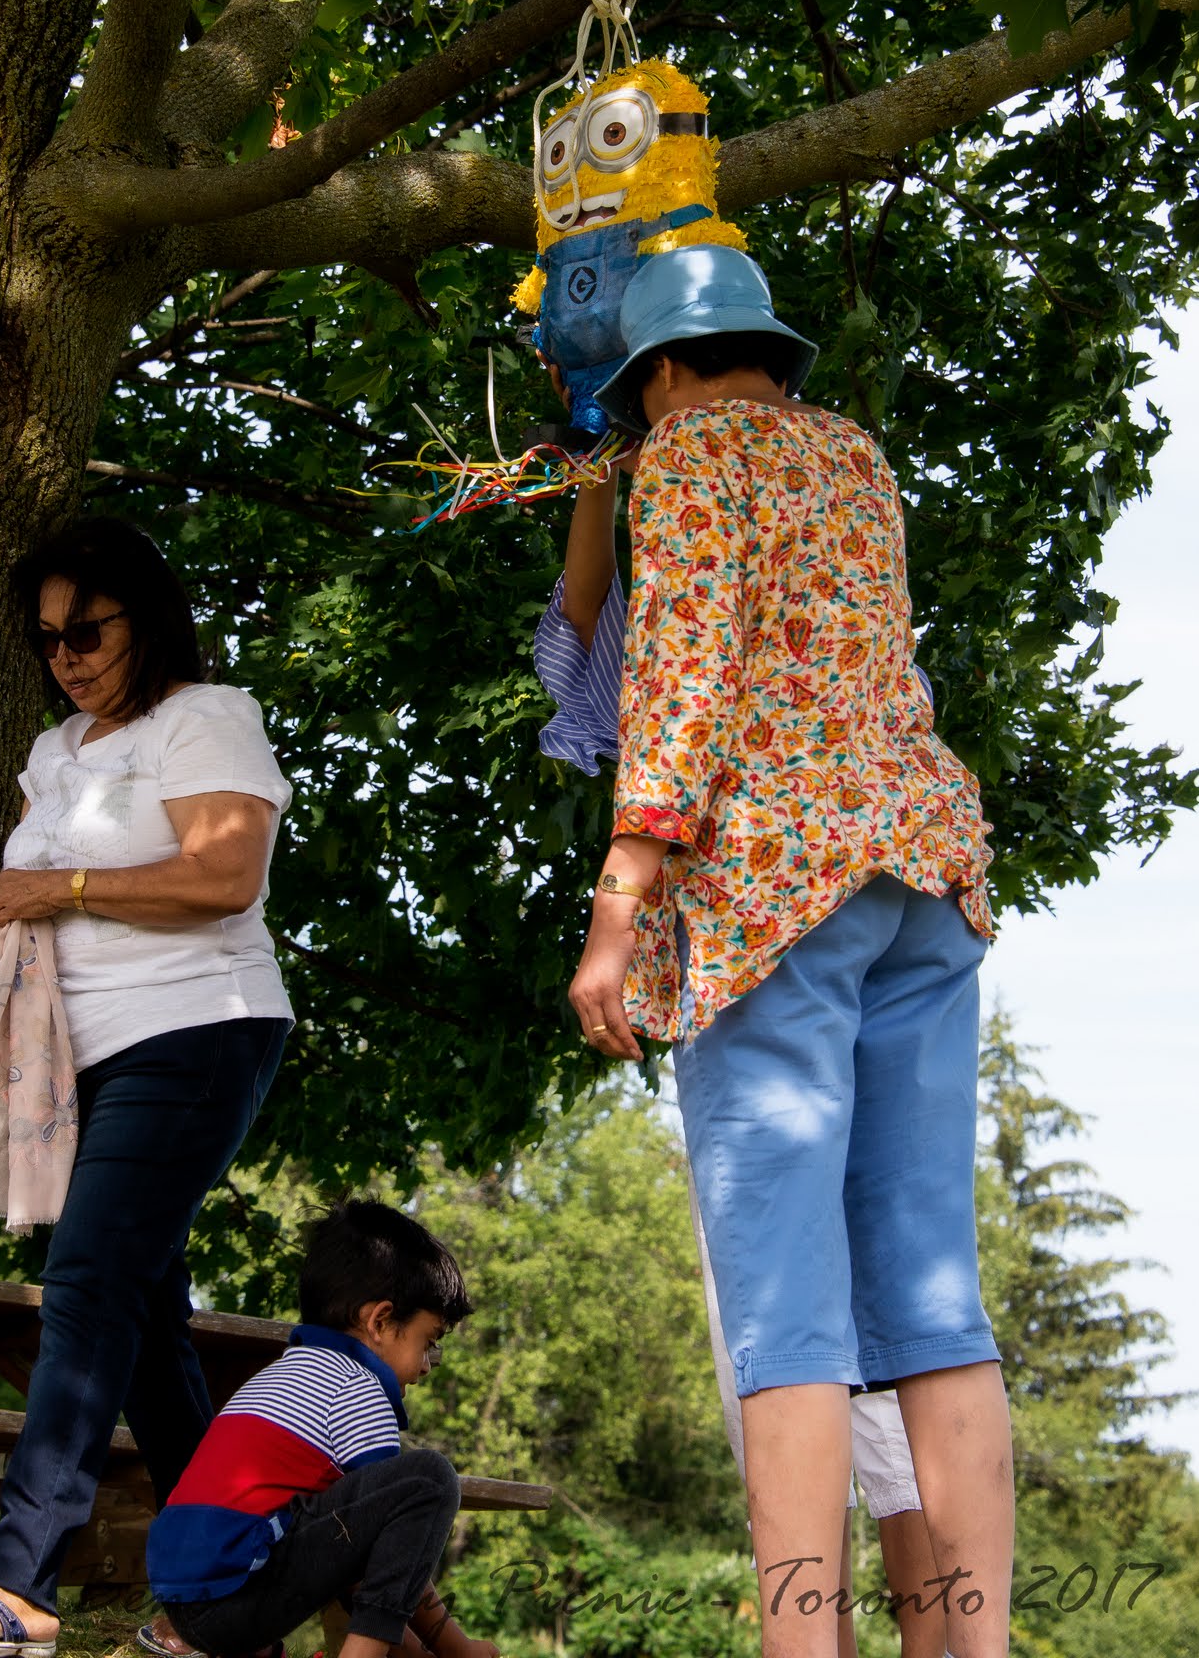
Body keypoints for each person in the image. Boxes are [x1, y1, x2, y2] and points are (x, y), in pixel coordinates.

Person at [565, 247, 1015, 1658]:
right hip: (920, 864)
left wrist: (619, 899)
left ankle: (800, 1644)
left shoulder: (688, 453)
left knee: (784, 1309)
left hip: (773, 885)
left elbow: (681, 668)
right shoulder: (854, 456)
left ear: (661, 373)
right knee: (932, 1295)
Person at [535, 447, 948, 1658]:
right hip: (831, 923)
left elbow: (652, 688)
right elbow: (580, 621)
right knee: (823, 1340)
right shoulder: (784, 544)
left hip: (767, 927)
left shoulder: (737, 565)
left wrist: (614, 913)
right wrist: (596, 474)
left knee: (837, 1344)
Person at [0, 518, 294, 1658]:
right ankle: (231, 1601)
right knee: (145, 1319)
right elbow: (41, 891)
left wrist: (58, 885)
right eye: (47, 639)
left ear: (145, 618)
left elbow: (225, 874)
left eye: (87, 631)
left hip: (197, 1030)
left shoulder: (204, 716)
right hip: (84, 1054)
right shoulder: (57, 747)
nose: (65, 656)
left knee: (83, 1280)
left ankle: (19, 1584)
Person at [146, 1198, 499, 1658]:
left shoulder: (282, 1374)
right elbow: (379, 1550)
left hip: (188, 1603)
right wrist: (459, 1648)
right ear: (380, 1321)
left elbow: (351, 1552)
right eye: (427, 1342)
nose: (427, 1366)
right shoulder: (357, 1386)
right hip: (233, 1601)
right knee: (430, 1480)